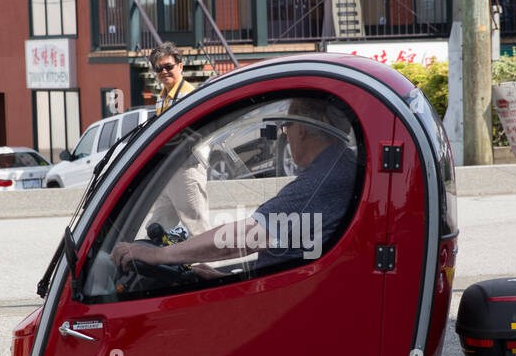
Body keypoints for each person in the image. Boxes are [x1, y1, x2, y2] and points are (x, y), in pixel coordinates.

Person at [111, 108, 356, 278]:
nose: (285, 136)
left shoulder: (319, 182)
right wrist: (225, 279)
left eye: (285, 128)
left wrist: (158, 254)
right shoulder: (337, 166)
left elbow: (247, 236)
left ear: (301, 129)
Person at [147, 42, 209, 233]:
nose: (164, 72)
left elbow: (195, 133)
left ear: (180, 66)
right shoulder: (163, 96)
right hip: (168, 169)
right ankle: (154, 258)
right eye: (159, 68)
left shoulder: (188, 95)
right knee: (156, 228)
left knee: (198, 229)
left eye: (168, 66)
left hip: (185, 167)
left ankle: (206, 263)